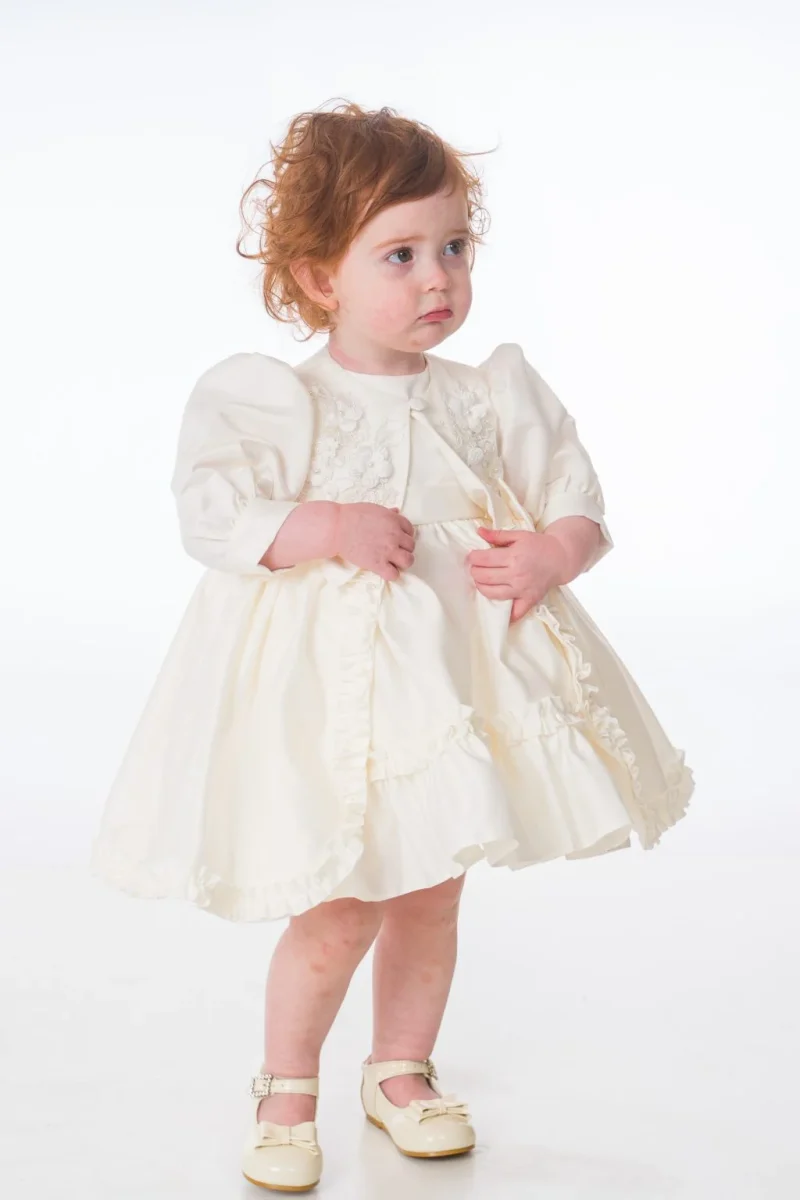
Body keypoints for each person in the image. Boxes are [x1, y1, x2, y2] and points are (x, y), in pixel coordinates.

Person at [89, 100, 695, 1192]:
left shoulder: (486, 396)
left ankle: (400, 1070)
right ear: (321, 276)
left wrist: (554, 550)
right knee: (339, 904)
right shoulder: (281, 402)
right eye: (401, 255)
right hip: (333, 699)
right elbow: (213, 516)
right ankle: (285, 1086)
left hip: (454, 690)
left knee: (431, 890)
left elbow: (573, 495)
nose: (437, 280)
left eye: (455, 248)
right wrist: (321, 524)